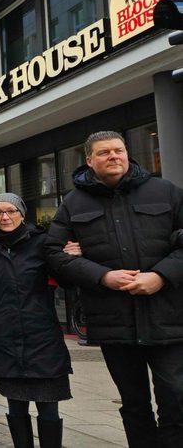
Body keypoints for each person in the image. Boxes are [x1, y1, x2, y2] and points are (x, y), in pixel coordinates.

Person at [44, 130, 183, 447]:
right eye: (104, 153)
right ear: (90, 161)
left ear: (127, 153)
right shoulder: (73, 203)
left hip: (169, 318)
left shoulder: (165, 192)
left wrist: (160, 276)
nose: (113, 156)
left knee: (176, 399)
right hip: (113, 321)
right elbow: (53, 253)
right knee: (134, 405)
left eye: (118, 150)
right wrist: (102, 276)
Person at [0, 194, 71, 447]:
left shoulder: (42, 242)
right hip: (5, 336)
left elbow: (66, 279)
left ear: (21, 213)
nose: (4, 217)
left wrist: (70, 258)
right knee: (16, 408)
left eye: (10, 211)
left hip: (43, 336)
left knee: (48, 409)